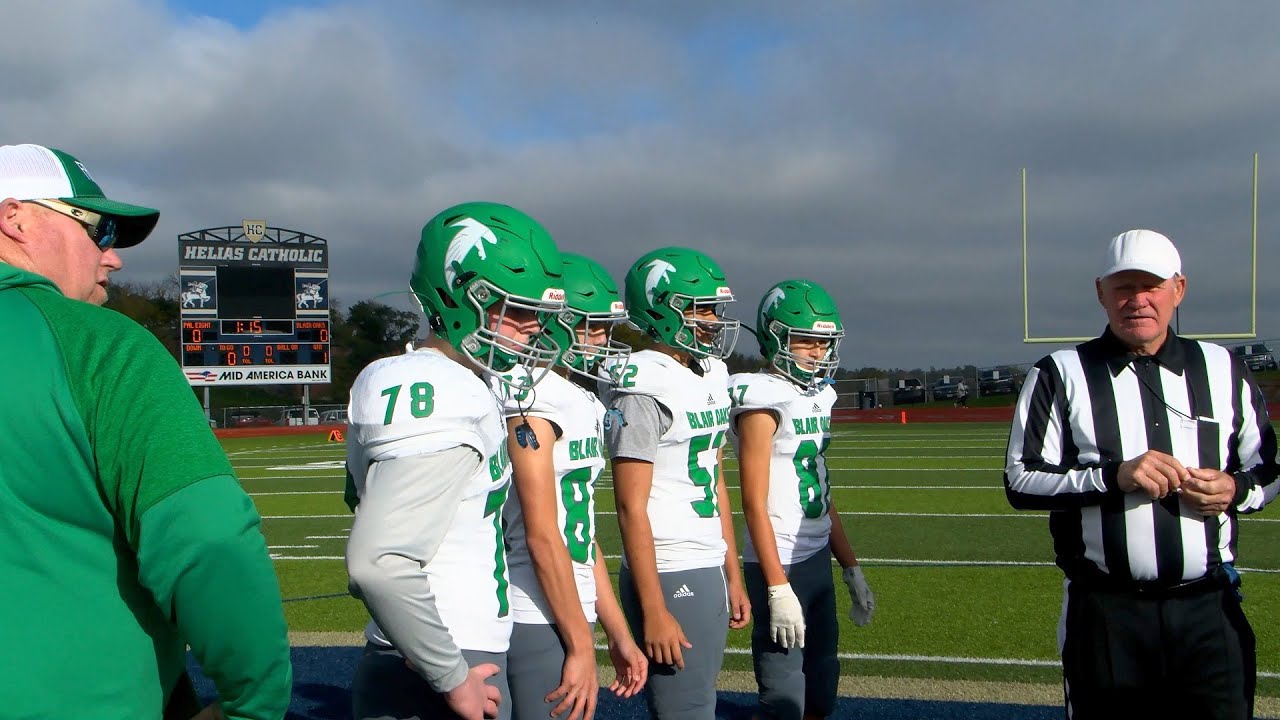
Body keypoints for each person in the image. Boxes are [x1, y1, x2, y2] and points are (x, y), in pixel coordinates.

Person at [0, 142, 292, 720]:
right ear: (16, 218)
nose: (112, 257)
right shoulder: (99, 344)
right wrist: (252, 704)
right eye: (99, 229)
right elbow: (209, 538)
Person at [1004, 228, 1279, 720]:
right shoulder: (1061, 372)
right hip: (1108, 612)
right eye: (1123, 287)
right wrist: (1114, 477)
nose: (1138, 300)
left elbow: (1269, 469)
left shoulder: (1222, 367)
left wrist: (1235, 489)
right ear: (1100, 293)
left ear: (1179, 289)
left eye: (1151, 286)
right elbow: (1021, 480)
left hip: (1208, 608)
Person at [344, 201, 566, 720]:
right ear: (458, 300)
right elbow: (378, 563)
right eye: (517, 311)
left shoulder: (451, 381)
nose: (535, 329)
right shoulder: (439, 388)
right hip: (438, 662)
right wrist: (450, 675)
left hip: (430, 650)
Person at [496, 253, 648, 720]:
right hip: (534, 609)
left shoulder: (577, 397)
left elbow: (579, 532)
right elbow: (541, 534)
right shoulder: (532, 399)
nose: (604, 342)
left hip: (567, 607)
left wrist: (617, 632)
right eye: (593, 328)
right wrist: (582, 645)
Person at [606, 246, 752, 719]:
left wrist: (732, 569)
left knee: (700, 701)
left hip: (705, 556)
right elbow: (630, 507)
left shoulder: (709, 372)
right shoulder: (643, 387)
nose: (714, 320)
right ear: (662, 310)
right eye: (702, 309)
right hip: (668, 565)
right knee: (684, 709)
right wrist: (653, 607)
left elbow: (715, 477)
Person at [728, 279, 875, 720]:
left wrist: (850, 566)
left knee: (822, 686)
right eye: (806, 340)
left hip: (815, 556)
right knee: (783, 695)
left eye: (824, 342)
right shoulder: (762, 398)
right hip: (780, 559)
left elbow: (821, 489)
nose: (817, 352)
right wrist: (776, 586)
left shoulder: (817, 396)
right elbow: (753, 501)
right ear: (775, 337)